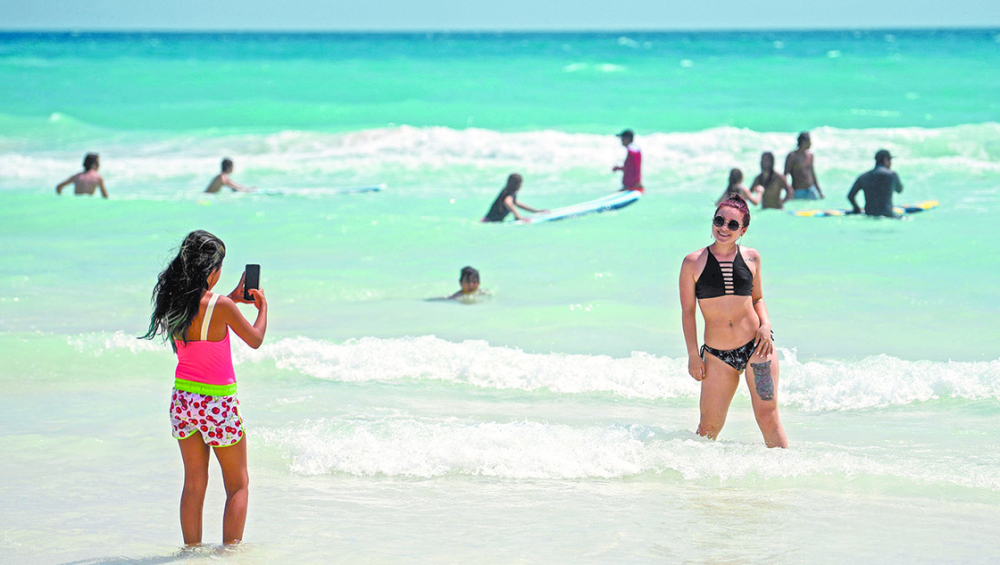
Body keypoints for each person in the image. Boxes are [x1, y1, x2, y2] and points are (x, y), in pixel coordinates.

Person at [140, 230, 268, 545]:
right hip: (218, 404)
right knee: (237, 485)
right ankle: (229, 556)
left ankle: (191, 553)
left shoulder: (173, 302)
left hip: (183, 401)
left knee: (194, 484)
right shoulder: (220, 306)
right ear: (212, 270)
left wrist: (231, 299)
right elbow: (255, 339)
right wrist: (262, 306)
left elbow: (202, 309)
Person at [678, 195, 788, 448]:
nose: (724, 228)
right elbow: (687, 312)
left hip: (757, 349)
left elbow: (758, 298)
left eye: (732, 224)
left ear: (743, 230)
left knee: (768, 417)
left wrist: (766, 325)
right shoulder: (692, 262)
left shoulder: (752, 258)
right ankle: (698, 486)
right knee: (708, 428)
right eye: (719, 220)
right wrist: (693, 355)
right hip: (717, 356)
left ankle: (787, 482)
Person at [848, 149, 904, 217]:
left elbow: (850, 196)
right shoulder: (892, 175)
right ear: (885, 160)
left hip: (869, 215)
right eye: (890, 160)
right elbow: (899, 190)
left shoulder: (863, 177)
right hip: (887, 216)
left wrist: (857, 209)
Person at [784, 131, 824, 200]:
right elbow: (785, 174)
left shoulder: (810, 155)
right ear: (803, 142)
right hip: (798, 190)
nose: (811, 143)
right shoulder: (792, 156)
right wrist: (788, 191)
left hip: (810, 189)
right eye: (809, 141)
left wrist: (819, 191)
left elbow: (812, 173)